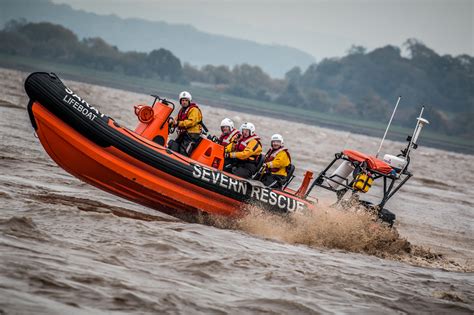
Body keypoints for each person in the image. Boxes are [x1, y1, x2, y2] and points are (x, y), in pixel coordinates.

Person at [169, 91, 203, 156]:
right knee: (174, 145)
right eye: (182, 100)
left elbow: (191, 122)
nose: (184, 102)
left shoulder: (194, 110)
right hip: (184, 134)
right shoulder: (182, 110)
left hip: (192, 135)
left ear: (189, 101)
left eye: (186, 100)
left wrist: (178, 123)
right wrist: (170, 123)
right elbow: (176, 120)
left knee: (183, 151)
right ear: (180, 102)